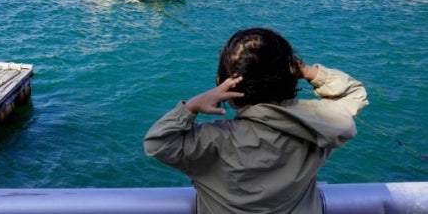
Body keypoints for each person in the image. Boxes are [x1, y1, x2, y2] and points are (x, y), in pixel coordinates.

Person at [143, 27, 368, 214]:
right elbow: (354, 94)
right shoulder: (317, 128)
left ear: (225, 85)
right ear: (291, 76)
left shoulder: (212, 142)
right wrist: (308, 71)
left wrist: (191, 106)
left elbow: (158, 143)